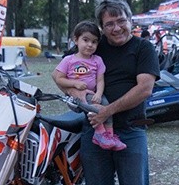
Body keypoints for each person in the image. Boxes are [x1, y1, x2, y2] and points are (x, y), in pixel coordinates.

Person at [60, 0, 160, 185]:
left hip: (131, 129)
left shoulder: (143, 48)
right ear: (101, 27)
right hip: (94, 130)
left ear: (131, 21)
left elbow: (144, 89)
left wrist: (107, 111)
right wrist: (78, 94)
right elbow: (65, 70)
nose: (116, 28)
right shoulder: (94, 46)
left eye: (121, 21)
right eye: (109, 23)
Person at [53, 20, 126, 151]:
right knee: (95, 109)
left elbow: (100, 80)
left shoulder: (97, 60)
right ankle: (99, 133)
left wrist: (98, 94)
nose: (90, 45)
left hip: (93, 94)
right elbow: (59, 79)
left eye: (94, 42)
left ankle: (109, 135)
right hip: (76, 98)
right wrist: (74, 83)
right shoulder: (69, 60)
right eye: (85, 40)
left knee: (107, 107)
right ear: (76, 40)